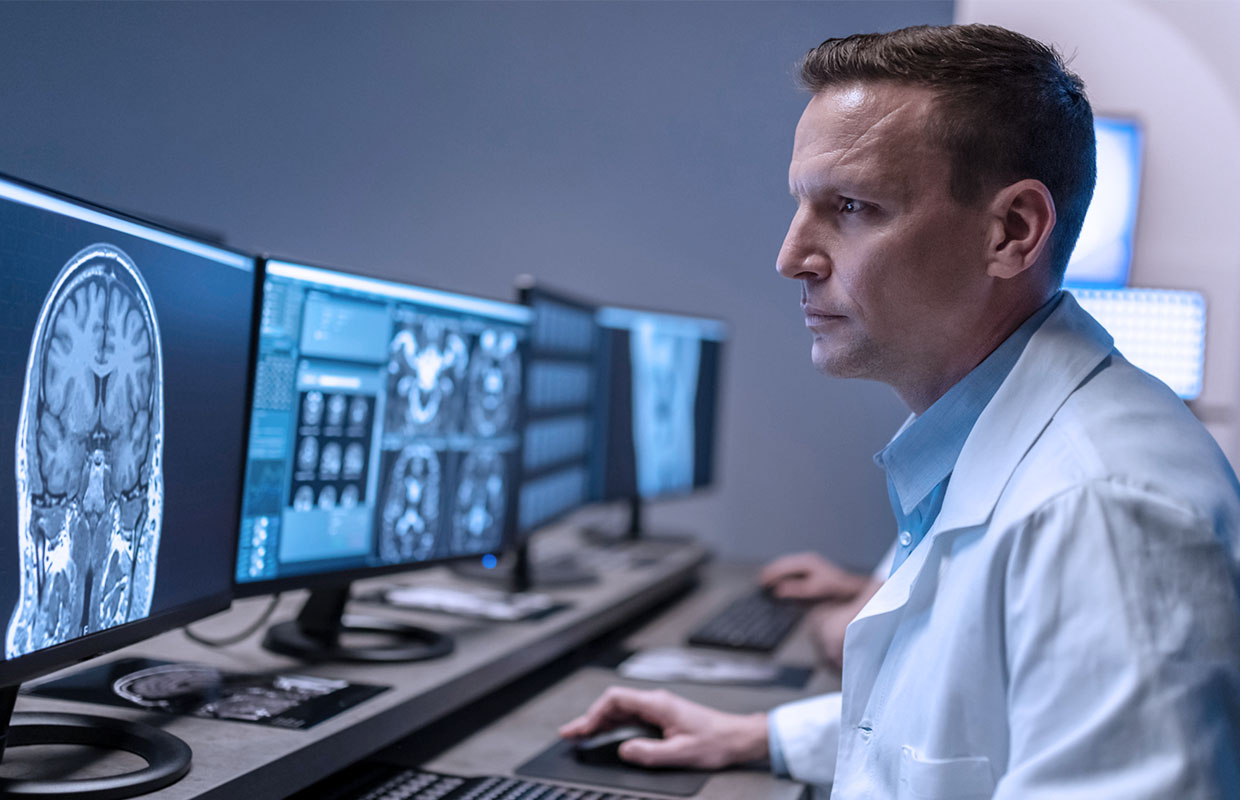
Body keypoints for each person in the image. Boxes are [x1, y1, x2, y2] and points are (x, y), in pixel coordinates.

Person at [561, 23, 1240, 797]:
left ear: (1012, 232)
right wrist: (763, 734)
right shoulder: (984, 437)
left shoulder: (1102, 515)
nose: (791, 258)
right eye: (802, 204)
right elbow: (966, 723)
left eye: (850, 206)